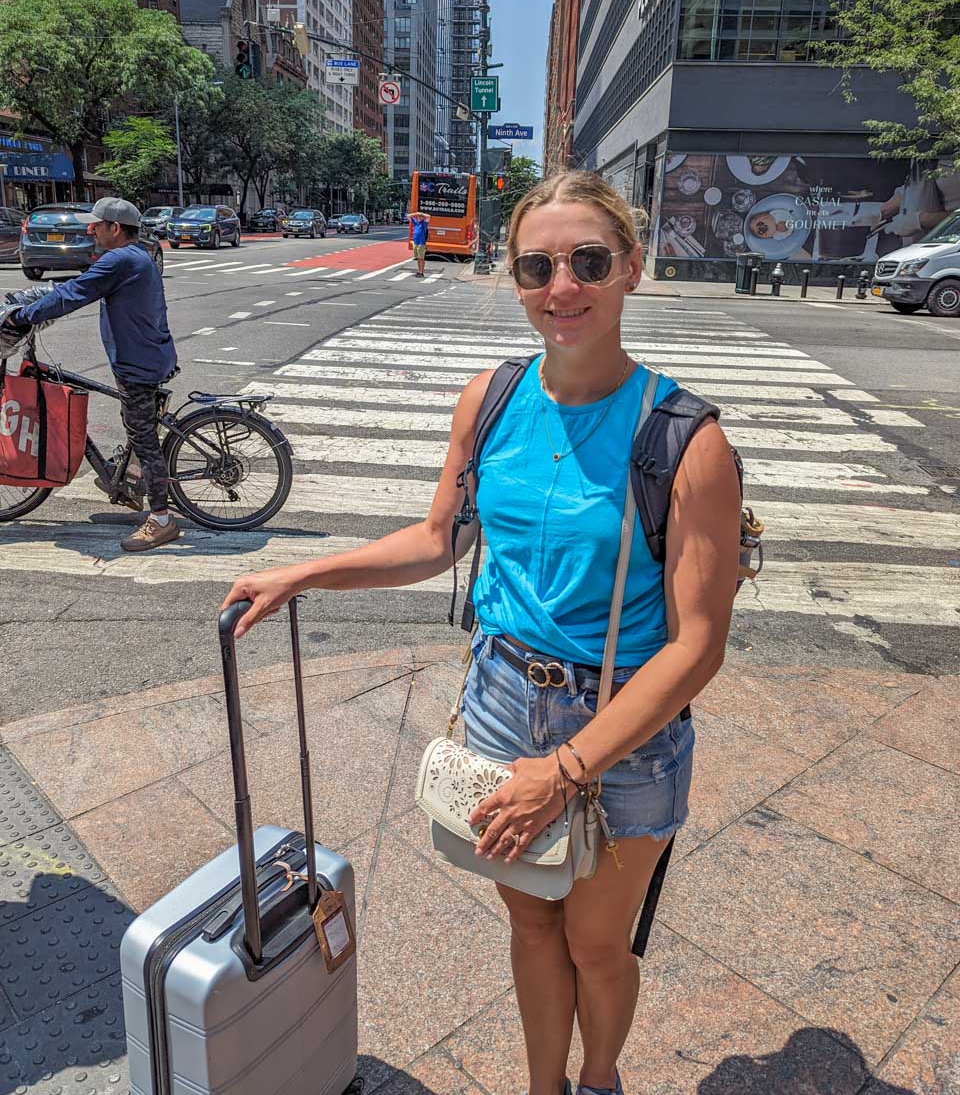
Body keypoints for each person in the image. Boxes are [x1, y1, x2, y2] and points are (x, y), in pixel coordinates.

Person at [220, 170, 740, 1095]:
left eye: (588, 260)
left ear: (631, 269)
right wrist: (304, 571)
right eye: (536, 266)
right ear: (513, 278)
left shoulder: (684, 439)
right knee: (533, 920)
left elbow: (696, 645)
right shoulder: (491, 399)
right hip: (503, 698)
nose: (562, 288)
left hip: (622, 724)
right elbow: (438, 539)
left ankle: (600, 1078)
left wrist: (568, 768)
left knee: (595, 941)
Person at [5, 196, 179, 552]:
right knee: (136, 428)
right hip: (147, 354)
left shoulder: (119, 259)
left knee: (144, 440)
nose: (91, 229)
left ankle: (161, 520)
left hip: (138, 363)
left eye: (97, 225)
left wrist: (23, 317)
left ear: (115, 228)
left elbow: (74, 293)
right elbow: (72, 288)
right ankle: (128, 478)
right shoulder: (135, 256)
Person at [408, 209, 430, 276]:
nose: (419, 218)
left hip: (421, 243)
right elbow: (408, 216)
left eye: (420, 217)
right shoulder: (415, 222)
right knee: (418, 258)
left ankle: (421, 272)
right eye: (418, 217)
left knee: (421, 258)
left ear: (422, 218)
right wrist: (416, 213)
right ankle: (418, 271)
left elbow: (429, 216)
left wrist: (421, 214)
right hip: (416, 242)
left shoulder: (424, 223)